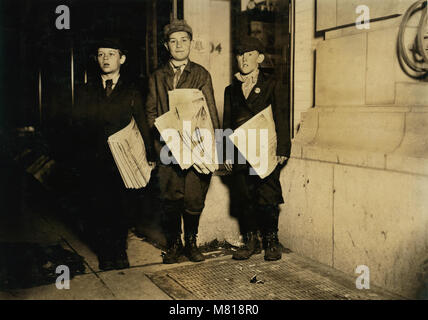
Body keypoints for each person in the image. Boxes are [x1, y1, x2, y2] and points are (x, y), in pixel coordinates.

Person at [71, 38, 155, 270]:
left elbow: (141, 122)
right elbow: (78, 126)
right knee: (98, 206)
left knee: (122, 205)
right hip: (95, 160)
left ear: (122, 59)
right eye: (101, 54)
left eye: (111, 53)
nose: (105, 59)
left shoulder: (132, 90)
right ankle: (105, 252)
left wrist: (149, 153)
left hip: (123, 160)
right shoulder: (86, 90)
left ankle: (119, 250)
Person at [145, 19, 220, 264]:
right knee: (170, 198)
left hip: (197, 148)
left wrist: (214, 148)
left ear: (190, 43)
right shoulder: (157, 76)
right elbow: (151, 111)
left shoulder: (200, 74)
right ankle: (174, 244)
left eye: (183, 40)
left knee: (193, 198)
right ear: (166, 46)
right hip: (168, 148)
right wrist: (162, 136)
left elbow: (209, 111)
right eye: (173, 41)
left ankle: (191, 242)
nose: (178, 45)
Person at [223, 36, 291, 261]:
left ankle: (271, 240)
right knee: (244, 195)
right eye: (240, 54)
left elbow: (282, 117)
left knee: (267, 193)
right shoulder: (230, 90)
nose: (244, 58)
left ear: (260, 58)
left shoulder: (272, 84)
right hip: (240, 151)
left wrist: (283, 147)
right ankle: (250, 240)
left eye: (250, 54)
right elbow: (227, 124)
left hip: (265, 149)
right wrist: (226, 153)